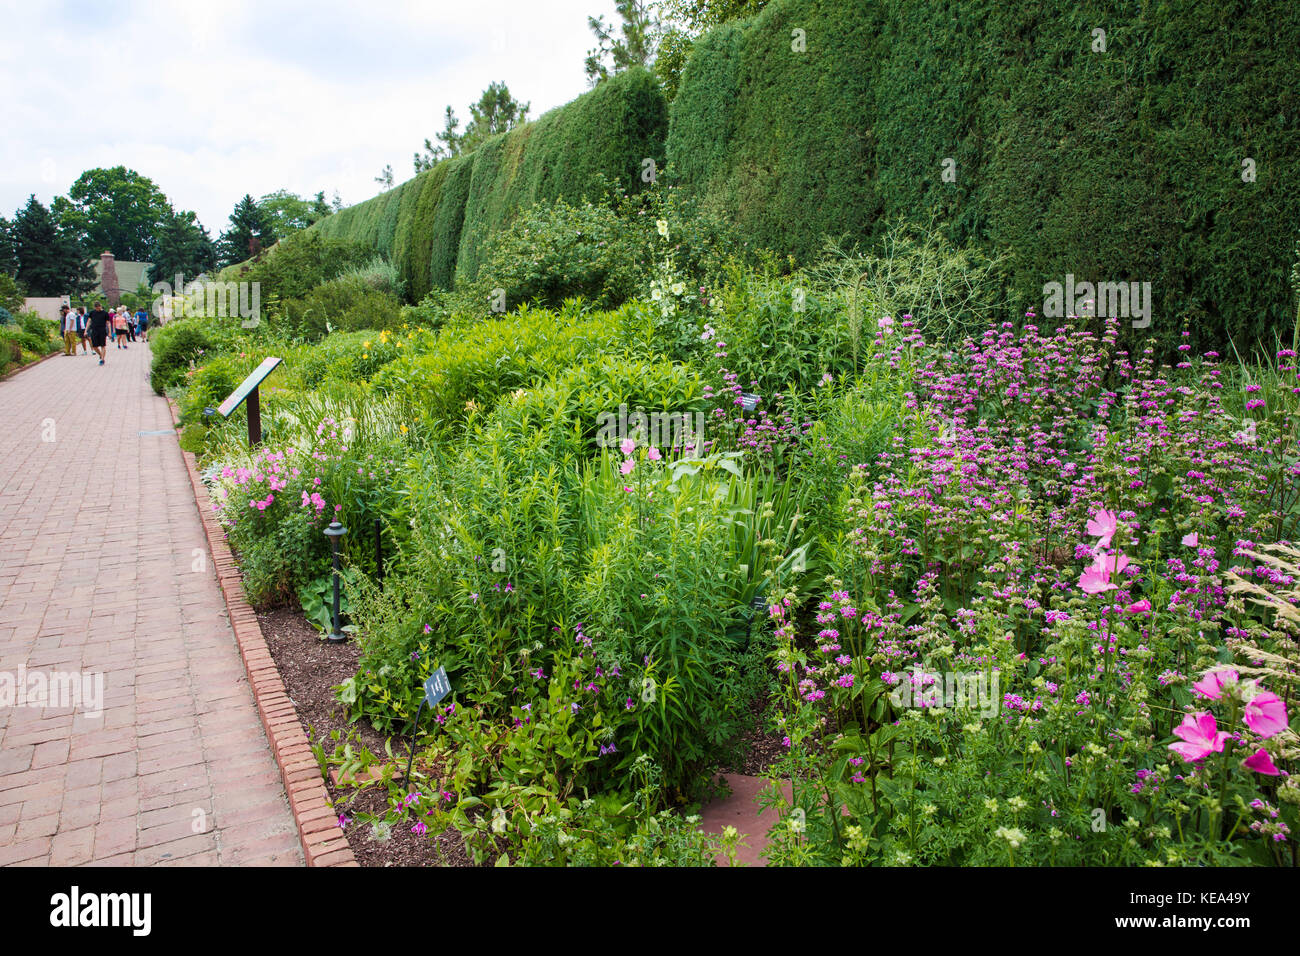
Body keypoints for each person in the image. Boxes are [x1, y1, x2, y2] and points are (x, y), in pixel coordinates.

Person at [86, 301, 111, 365]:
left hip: (102, 330)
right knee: (94, 346)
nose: (97, 309)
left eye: (99, 307)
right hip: (94, 330)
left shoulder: (105, 313)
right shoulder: (92, 313)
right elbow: (89, 321)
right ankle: (100, 354)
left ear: (100, 306)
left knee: (103, 345)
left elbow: (108, 323)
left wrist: (110, 332)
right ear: (94, 307)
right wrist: (86, 330)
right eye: (96, 308)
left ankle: (102, 359)